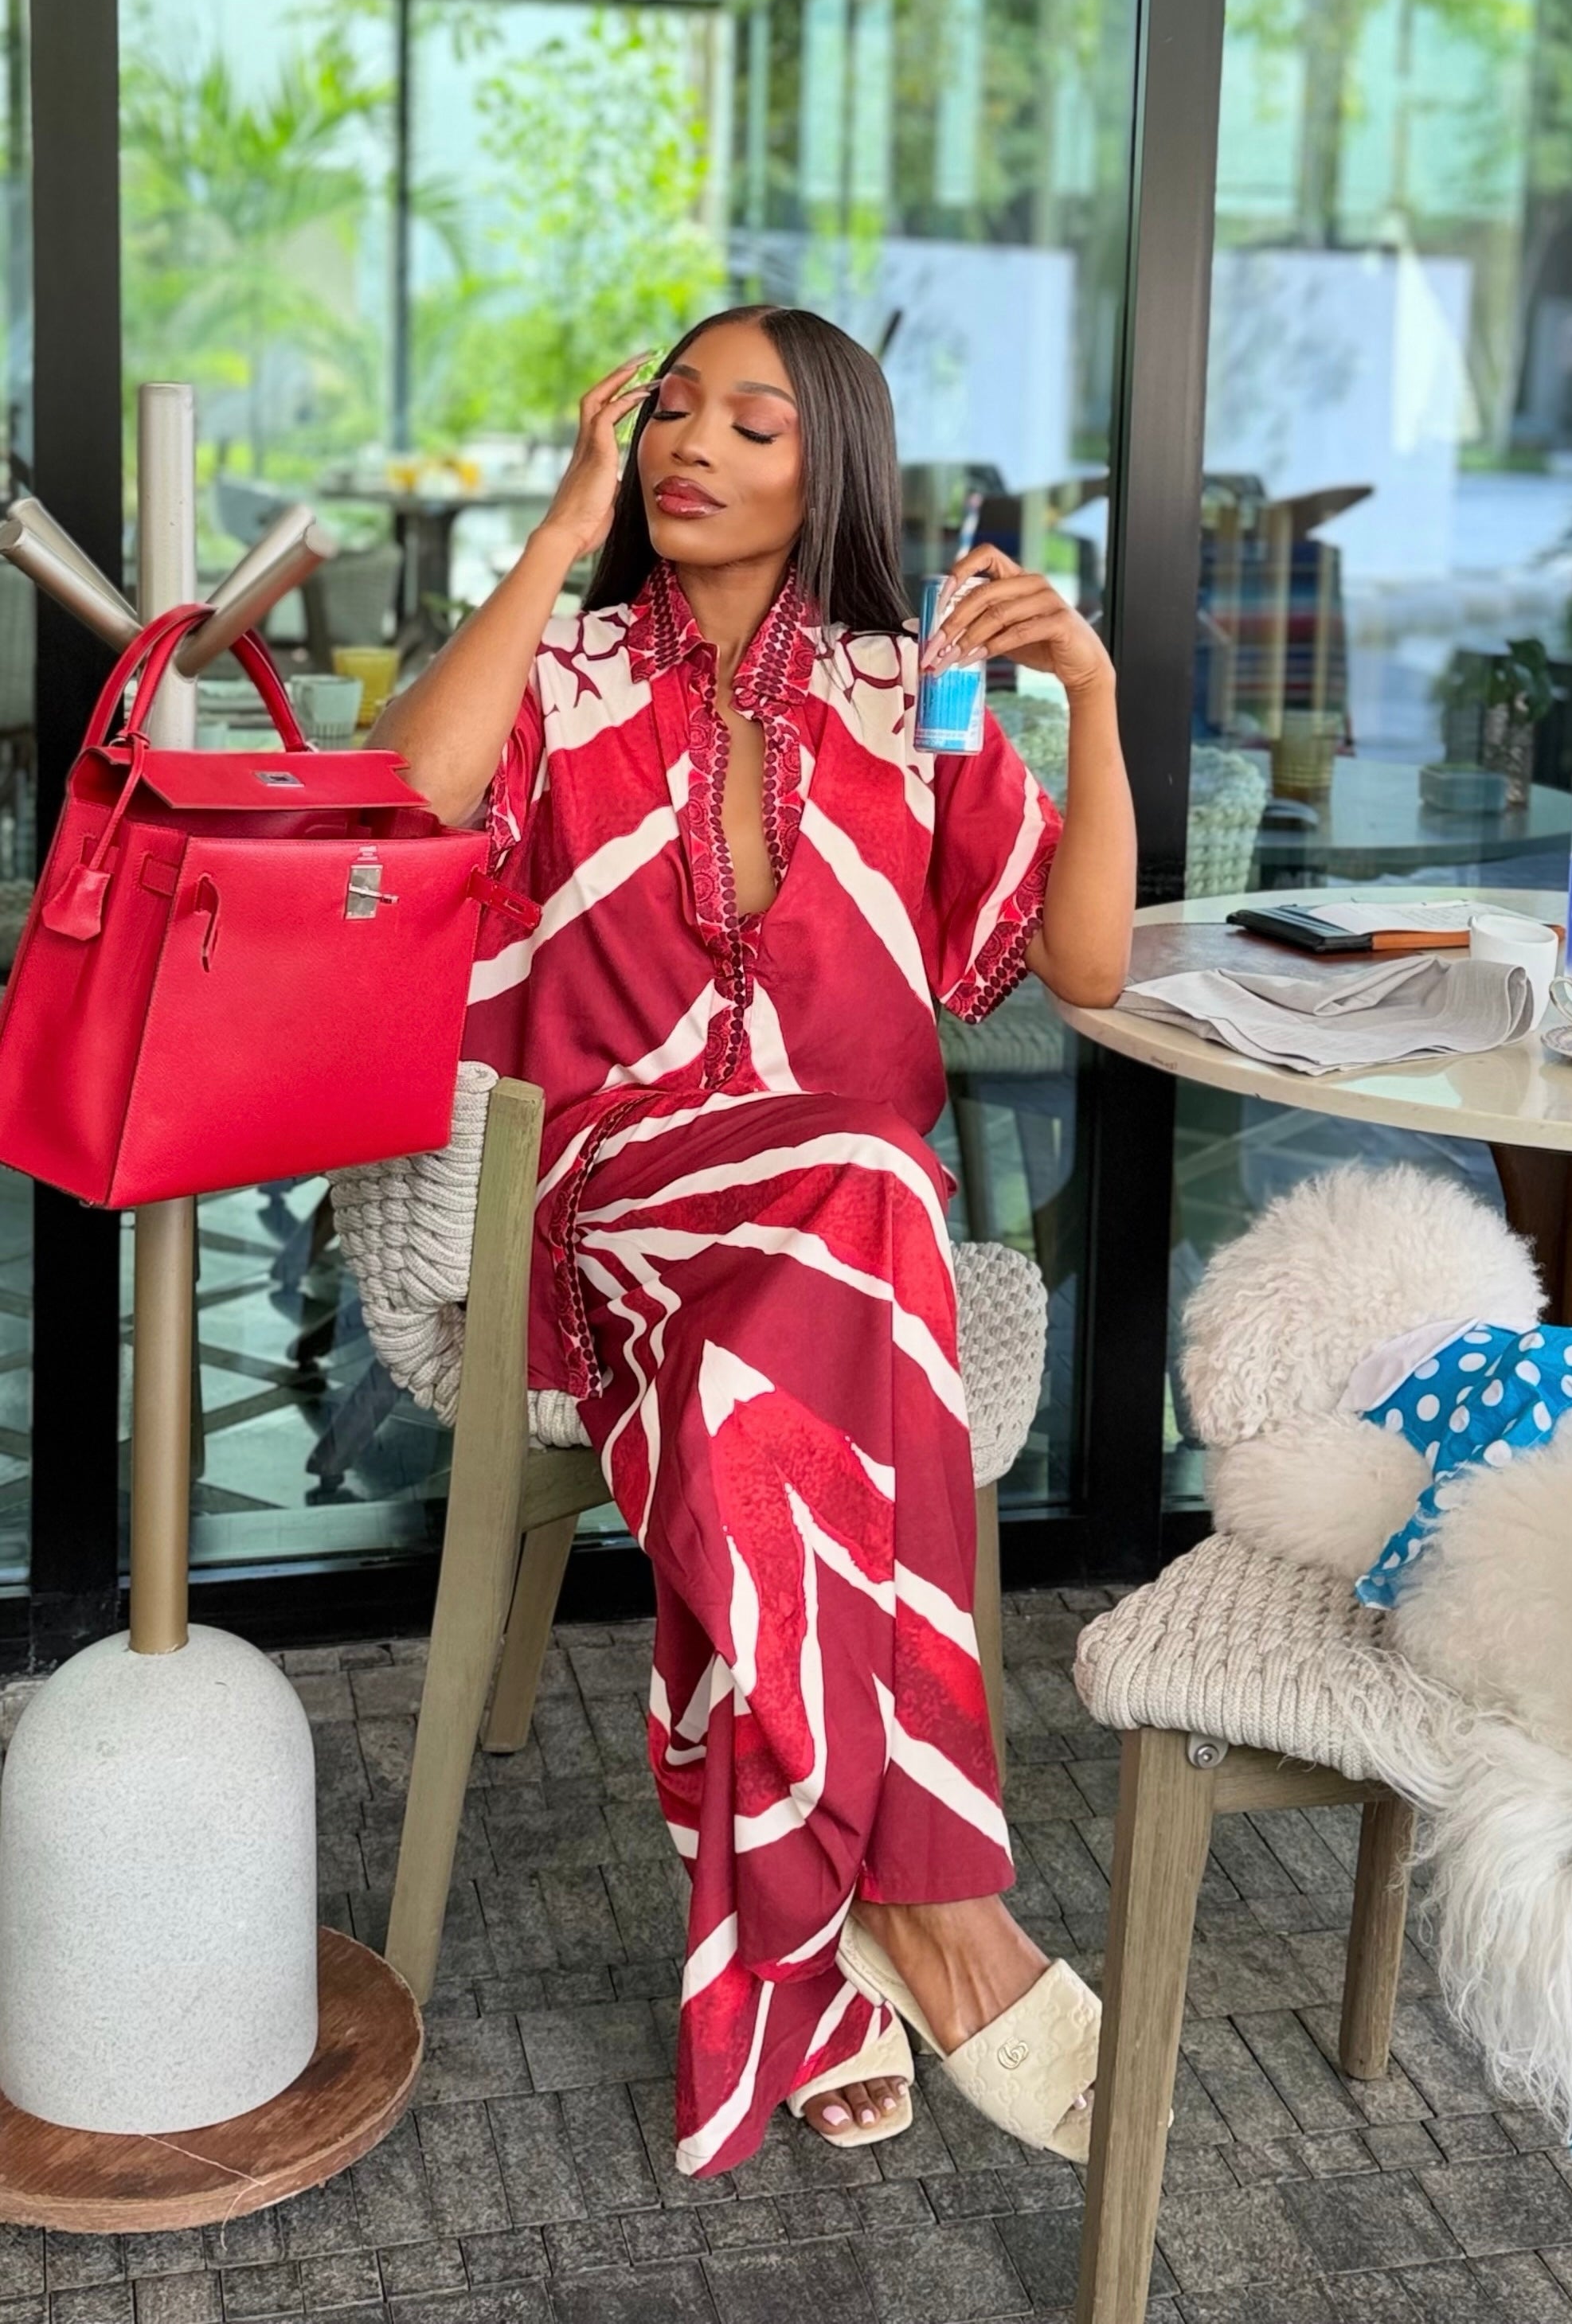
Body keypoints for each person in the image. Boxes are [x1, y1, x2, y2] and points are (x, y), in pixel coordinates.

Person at [374, 305, 1135, 2177]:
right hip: (617, 1207)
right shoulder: (561, 673)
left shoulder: (909, 692)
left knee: (799, 1317)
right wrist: (558, 534)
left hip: (827, 1248)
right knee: (869, 1201)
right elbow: (408, 806)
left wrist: (1096, 697)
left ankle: (829, 1959)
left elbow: (1089, 964)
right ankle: (940, 1907)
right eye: (672, 409)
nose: (690, 444)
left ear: (832, 472)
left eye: (755, 422)